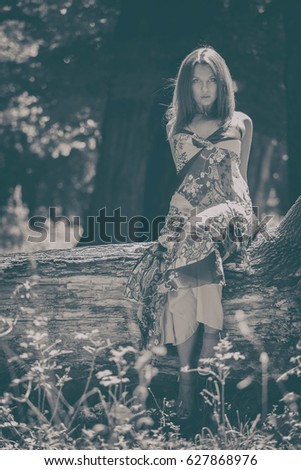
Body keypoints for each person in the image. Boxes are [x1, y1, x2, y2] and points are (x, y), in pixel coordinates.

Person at [124, 46, 254, 422]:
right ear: (186, 86)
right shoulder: (176, 127)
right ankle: (191, 385)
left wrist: (248, 224)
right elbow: (189, 184)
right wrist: (181, 226)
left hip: (229, 212)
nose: (204, 89)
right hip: (188, 216)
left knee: (199, 231)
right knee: (183, 263)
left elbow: (239, 179)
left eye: (211, 80)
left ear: (222, 83)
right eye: (196, 82)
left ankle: (200, 390)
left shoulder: (241, 121)